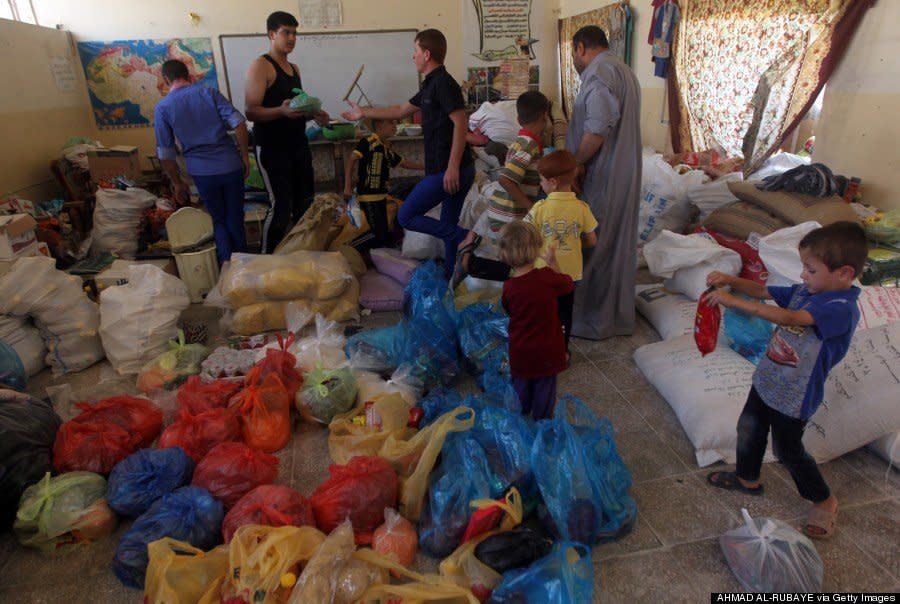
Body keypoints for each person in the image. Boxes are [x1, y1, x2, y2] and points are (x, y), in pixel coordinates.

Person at [705, 221, 867, 540]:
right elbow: (764, 291)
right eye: (804, 268)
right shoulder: (808, 291)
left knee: (787, 451)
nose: (803, 275)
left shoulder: (840, 308)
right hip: (768, 379)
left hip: (796, 393)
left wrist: (733, 301)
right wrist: (730, 281)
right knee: (748, 428)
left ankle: (824, 499)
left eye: (810, 269)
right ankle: (747, 478)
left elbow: (791, 319)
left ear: (844, 273)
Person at [342, 29, 473, 279]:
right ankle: (451, 281)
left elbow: (460, 123)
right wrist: (364, 113)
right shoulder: (431, 84)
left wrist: (453, 166)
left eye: (415, 51)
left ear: (426, 53)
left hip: (452, 170)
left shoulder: (444, 84)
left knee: (406, 215)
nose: (412, 56)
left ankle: (465, 236)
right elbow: (400, 110)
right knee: (446, 227)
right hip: (449, 169)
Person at [566, 25, 641, 340]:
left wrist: (575, 163)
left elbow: (596, 130)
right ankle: (615, 318)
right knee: (616, 245)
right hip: (624, 172)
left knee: (594, 244)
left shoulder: (599, 74)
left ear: (581, 47)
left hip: (604, 174)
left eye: (573, 53)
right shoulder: (624, 70)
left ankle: (591, 321)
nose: (573, 59)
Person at [245, 11, 330, 253]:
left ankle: (301, 255)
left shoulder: (294, 68)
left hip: (298, 145)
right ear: (272, 34)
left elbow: (297, 105)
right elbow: (251, 111)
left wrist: (314, 114)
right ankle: (266, 261)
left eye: (295, 33)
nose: (292, 38)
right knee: (281, 207)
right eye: (286, 32)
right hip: (272, 148)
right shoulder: (261, 66)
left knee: (305, 204)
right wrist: (280, 112)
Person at [154, 59, 249, 263]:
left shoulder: (163, 108)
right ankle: (245, 267)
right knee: (235, 216)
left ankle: (227, 269)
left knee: (219, 220)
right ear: (188, 75)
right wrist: (244, 157)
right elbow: (239, 123)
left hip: (202, 172)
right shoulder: (209, 93)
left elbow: (165, 153)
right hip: (230, 166)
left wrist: (177, 183)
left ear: (166, 79)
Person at [452, 90, 550, 286]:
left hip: (501, 207)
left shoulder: (520, 140)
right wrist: (529, 206)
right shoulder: (527, 145)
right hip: (510, 211)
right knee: (512, 261)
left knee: (508, 257)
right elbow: (507, 179)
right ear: (545, 117)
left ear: (518, 118)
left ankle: (468, 256)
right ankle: (469, 263)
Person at [524, 150, 598, 354]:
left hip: (542, 271)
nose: (540, 184)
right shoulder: (582, 208)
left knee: (542, 312)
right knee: (564, 313)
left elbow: (525, 235)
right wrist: (573, 244)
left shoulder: (540, 207)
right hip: (569, 274)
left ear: (553, 182)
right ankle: (562, 352)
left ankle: (540, 348)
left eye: (541, 180)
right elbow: (592, 241)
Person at [500, 221, 574, 420]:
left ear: (505, 254)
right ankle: (542, 424)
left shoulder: (509, 287)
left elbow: (508, 310)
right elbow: (568, 285)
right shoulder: (548, 278)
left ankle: (520, 420)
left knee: (521, 387)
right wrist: (553, 264)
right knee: (545, 390)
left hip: (521, 349)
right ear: (536, 249)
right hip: (549, 349)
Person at [343, 118, 424, 252]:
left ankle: (369, 254)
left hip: (381, 196)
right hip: (368, 196)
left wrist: (427, 167)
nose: (395, 126)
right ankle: (349, 248)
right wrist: (347, 187)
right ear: (379, 125)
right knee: (378, 234)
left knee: (383, 233)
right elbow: (351, 160)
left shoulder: (386, 148)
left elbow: (405, 163)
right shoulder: (368, 142)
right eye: (391, 122)